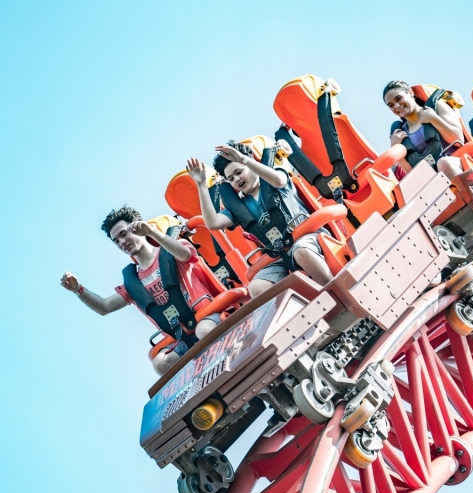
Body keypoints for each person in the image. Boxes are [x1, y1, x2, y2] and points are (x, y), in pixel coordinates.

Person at [60, 206, 223, 375]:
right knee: (160, 363)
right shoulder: (134, 281)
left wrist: (152, 232)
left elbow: (185, 255)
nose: (121, 242)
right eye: (116, 241)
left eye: (123, 234)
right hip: (183, 336)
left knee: (203, 330)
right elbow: (104, 306)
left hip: (206, 317)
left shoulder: (171, 247)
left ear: (138, 227)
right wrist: (78, 290)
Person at [186, 140, 333, 298]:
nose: (236, 179)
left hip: (307, 237)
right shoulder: (240, 207)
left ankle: (338, 296)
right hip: (279, 254)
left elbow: (279, 180)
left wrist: (244, 159)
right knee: (256, 287)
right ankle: (300, 311)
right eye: (231, 178)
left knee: (301, 251)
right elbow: (212, 223)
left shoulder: (275, 177)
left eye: (239, 172)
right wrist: (201, 184)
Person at [383, 80, 465, 180]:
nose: (396, 106)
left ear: (410, 92)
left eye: (398, 99)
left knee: (444, 163)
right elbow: (411, 172)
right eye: (391, 105)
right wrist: (395, 148)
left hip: (457, 164)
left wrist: (435, 119)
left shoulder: (437, 107)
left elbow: (458, 139)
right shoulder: (400, 134)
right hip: (432, 178)